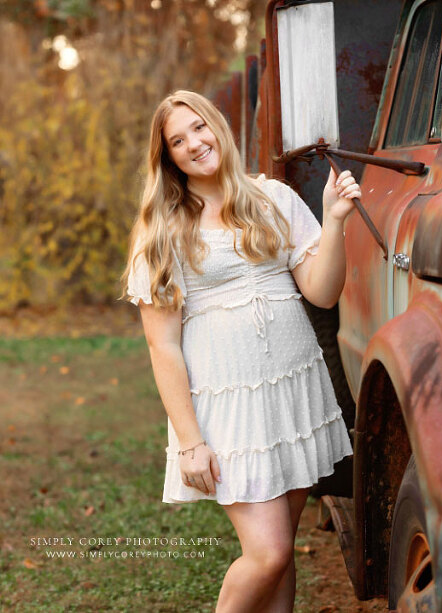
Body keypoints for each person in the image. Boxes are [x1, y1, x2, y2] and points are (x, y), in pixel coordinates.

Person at [121, 90, 359, 612]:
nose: (194, 144)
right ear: (168, 158)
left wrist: (335, 219)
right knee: (268, 553)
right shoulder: (163, 229)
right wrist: (189, 442)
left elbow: (322, 291)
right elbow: (163, 346)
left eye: (199, 128)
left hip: (293, 390)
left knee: (282, 554)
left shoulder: (273, 197)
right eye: (177, 141)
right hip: (229, 404)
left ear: (219, 127)